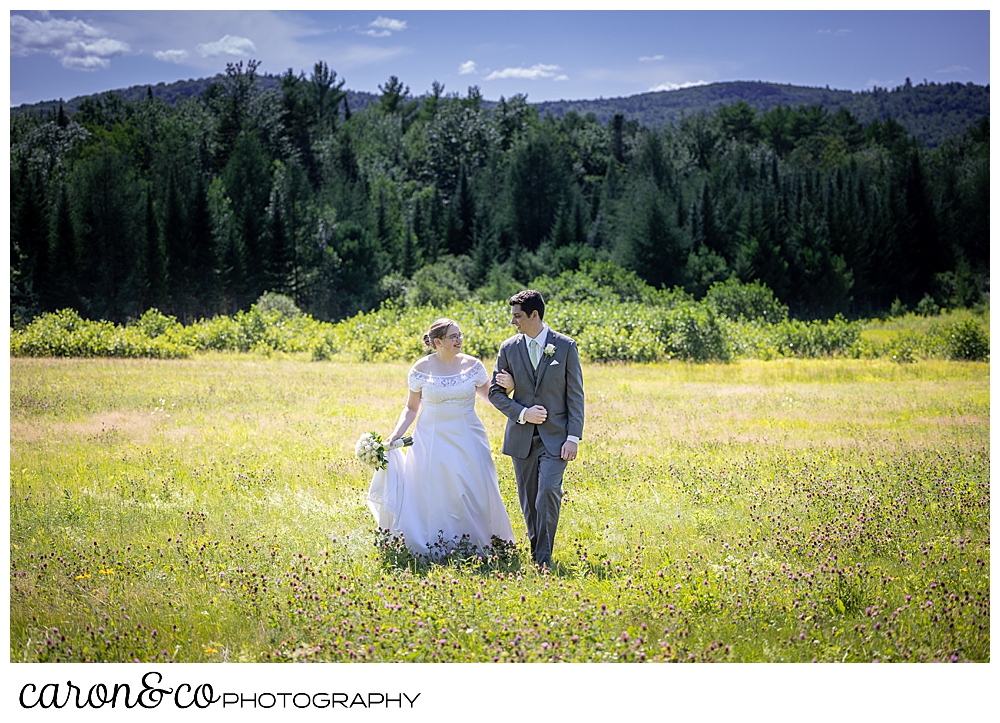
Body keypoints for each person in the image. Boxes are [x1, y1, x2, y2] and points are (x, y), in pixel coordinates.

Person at [367, 318, 515, 558]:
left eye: (460, 335)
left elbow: (492, 397)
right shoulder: (421, 368)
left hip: (468, 435)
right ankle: (437, 543)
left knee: (470, 488)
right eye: (453, 336)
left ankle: (478, 542)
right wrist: (396, 434)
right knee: (435, 489)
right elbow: (411, 408)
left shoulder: (472, 365)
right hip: (432, 437)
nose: (459, 340)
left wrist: (512, 394)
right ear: (438, 342)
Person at [489, 290, 585, 570]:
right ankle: (537, 552)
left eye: (517, 316)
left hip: (556, 439)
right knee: (529, 501)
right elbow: (496, 394)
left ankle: (543, 559)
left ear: (534, 315)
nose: (513, 322)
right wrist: (522, 412)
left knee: (548, 493)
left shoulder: (565, 347)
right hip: (521, 438)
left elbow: (575, 395)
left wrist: (573, 437)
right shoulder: (507, 348)